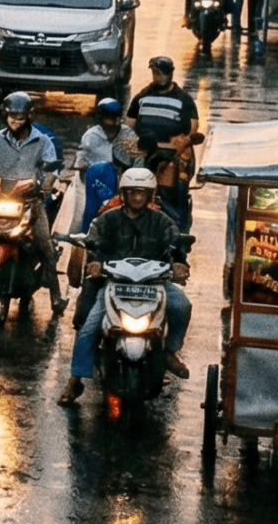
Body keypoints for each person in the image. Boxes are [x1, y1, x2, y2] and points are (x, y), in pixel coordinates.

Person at [60, 167, 194, 405]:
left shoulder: (162, 221)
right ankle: (75, 379)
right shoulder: (107, 219)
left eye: (143, 193)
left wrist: (179, 264)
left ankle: (170, 352)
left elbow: (175, 245)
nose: (138, 198)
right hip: (114, 284)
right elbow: (94, 243)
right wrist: (95, 263)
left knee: (182, 305)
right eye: (133, 193)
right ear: (123, 194)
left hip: (155, 284)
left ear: (151, 195)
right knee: (89, 328)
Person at [0, 91, 58, 306]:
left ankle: (56, 297)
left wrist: (45, 185)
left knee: (45, 246)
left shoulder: (43, 141)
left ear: (29, 117)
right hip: (0, 199)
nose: (15, 121)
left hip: (29, 202)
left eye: (20, 117)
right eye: (11, 116)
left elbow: (52, 167)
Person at [127, 56, 201, 219]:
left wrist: (181, 145)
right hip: (145, 151)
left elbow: (193, 129)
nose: (158, 76)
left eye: (162, 73)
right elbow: (128, 125)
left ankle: (180, 230)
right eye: (155, 73)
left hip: (172, 154)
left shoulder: (184, 100)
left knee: (177, 186)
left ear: (170, 74)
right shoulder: (141, 97)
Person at [77, 97, 125, 229]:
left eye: (115, 117)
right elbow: (81, 160)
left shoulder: (127, 134)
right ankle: (85, 233)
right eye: (109, 117)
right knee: (91, 209)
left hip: (122, 182)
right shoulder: (90, 136)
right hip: (97, 182)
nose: (113, 121)